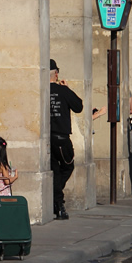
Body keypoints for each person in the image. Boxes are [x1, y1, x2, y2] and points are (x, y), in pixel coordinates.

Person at [49, 59, 83, 220]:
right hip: (61, 138)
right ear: (56, 74)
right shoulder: (62, 90)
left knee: (55, 170)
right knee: (67, 167)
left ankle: (55, 198)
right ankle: (58, 201)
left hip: (48, 139)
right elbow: (78, 106)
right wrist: (66, 89)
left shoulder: (41, 90)